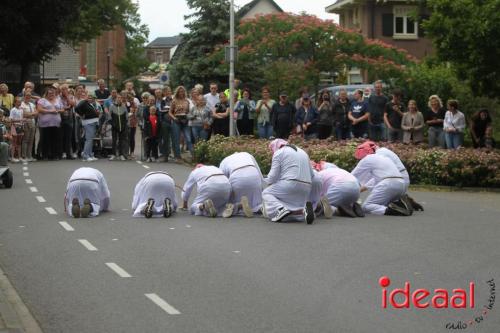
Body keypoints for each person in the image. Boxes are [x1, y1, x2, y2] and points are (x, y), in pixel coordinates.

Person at [355, 141, 424, 211]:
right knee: (381, 202)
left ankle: (398, 202)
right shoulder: (382, 151)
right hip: (401, 180)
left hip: (393, 180)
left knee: (373, 205)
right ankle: (400, 200)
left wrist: (358, 190)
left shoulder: (378, 155)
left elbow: (375, 179)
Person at [262, 139, 315, 224]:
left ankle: (280, 209)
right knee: (291, 203)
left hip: (290, 183)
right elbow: (312, 175)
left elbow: (272, 177)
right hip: (307, 187)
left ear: (275, 147)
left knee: (266, 193)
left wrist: (263, 182)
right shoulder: (303, 152)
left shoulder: (279, 153)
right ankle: (302, 211)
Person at [219, 152, 265, 218]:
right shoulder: (247, 154)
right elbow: (259, 173)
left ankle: (238, 207)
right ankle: (260, 208)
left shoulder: (224, 161)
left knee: (230, 201)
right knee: (257, 201)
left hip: (237, 177)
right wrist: (261, 188)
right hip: (254, 176)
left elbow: (223, 181)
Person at [36, 87, 63, 160]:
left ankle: (55, 155)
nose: (51, 94)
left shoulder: (58, 100)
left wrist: (58, 111)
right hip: (45, 124)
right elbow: (39, 109)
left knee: (55, 139)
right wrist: (50, 111)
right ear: (46, 94)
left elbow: (62, 109)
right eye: (50, 93)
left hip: (56, 123)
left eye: (53, 93)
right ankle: (45, 155)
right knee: (45, 139)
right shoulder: (42, 100)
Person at [74, 92, 101, 162]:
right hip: (88, 123)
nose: (89, 98)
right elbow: (76, 108)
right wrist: (81, 114)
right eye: (88, 97)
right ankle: (85, 155)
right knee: (89, 140)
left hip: (93, 122)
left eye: (90, 97)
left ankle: (89, 154)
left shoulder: (89, 103)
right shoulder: (83, 102)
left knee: (90, 139)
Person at [169, 86, 192, 161]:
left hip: (185, 121)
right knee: (176, 139)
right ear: (177, 92)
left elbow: (189, 112)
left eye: (183, 91)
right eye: (180, 91)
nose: (181, 93)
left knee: (188, 138)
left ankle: (193, 155)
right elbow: (170, 112)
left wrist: (187, 117)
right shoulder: (174, 101)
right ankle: (177, 156)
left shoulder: (187, 101)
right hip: (176, 120)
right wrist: (174, 118)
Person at [108, 94, 129, 160]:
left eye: (120, 98)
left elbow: (126, 117)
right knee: (114, 141)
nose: (119, 99)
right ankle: (113, 154)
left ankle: (121, 154)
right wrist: (113, 124)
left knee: (121, 141)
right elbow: (109, 117)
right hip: (114, 127)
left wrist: (124, 125)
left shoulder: (124, 106)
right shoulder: (111, 106)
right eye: (118, 98)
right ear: (115, 99)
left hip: (122, 127)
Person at [59, 84, 76, 159]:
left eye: (66, 89)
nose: (64, 90)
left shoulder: (71, 96)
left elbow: (73, 104)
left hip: (69, 119)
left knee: (68, 138)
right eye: (63, 89)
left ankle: (68, 154)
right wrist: (67, 107)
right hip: (60, 119)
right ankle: (61, 153)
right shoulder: (58, 97)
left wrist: (67, 97)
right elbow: (59, 107)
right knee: (61, 137)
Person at [20, 91, 37, 162]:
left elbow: (37, 113)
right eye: (27, 96)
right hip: (26, 123)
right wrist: (32, 114)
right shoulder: (22, 104)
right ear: (24, 96)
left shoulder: (32, 104)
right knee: (25, 140)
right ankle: (24, 156)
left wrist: (30, 114)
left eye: (29, 96)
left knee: (31, 140)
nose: (28, 97)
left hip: (32, 122)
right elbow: (24, 114)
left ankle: (29, 155)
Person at [8, 97, 24, 162]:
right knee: (14, 142)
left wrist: (23, 122)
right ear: (15, 103)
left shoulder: (21, 110)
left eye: (20, 102)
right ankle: (12, 157)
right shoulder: (13, 110)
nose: (19, 103)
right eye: (18, 102)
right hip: (14, 127)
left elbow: (22, 119)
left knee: (19, 142)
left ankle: (19, 157)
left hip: (20, 127)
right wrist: (20, 120)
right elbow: (11, 120)